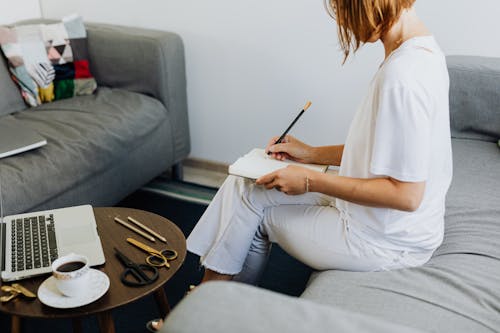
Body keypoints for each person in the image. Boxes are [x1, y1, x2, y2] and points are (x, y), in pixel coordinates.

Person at [147, 0, 452, 330]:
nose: (343, 23)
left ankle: (205, 314)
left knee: (253, 212)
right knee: (246, 184)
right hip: (380, 220)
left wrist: (309, 181)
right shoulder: (419, 51)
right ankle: (208, 303)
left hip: (384, 240)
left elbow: (406, 195)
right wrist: (311, 154)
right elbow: (384, 150)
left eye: (343, 11)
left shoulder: (403, 77)